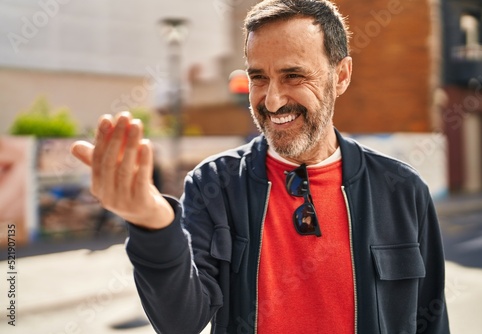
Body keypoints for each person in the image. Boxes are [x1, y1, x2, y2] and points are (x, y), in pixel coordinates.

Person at [71, 0, 450, 333]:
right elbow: (180, 322)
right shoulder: (213, 183)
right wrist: (152, 224)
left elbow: (430, 321)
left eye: (293, 76)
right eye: (258, 78)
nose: (271, 101)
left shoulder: (402, 189)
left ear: (341, 75)